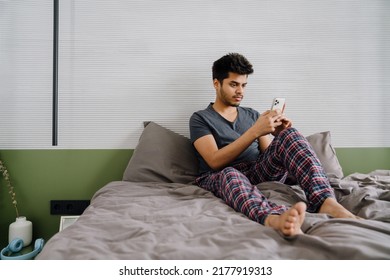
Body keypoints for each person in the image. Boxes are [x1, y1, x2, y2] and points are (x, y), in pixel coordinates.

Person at [189, 53, 358, 237]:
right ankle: (274, 218)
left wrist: (277, 135)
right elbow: (214, 161)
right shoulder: (200, 118)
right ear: (216, 83)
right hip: (222, 176)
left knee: (289, 134)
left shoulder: (252, 115)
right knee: (230, 173)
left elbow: (269, 154)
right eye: (233, 84)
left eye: (244, 85)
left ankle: (326, 202)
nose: (240, 91)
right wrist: (255, 131)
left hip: (255, 171)